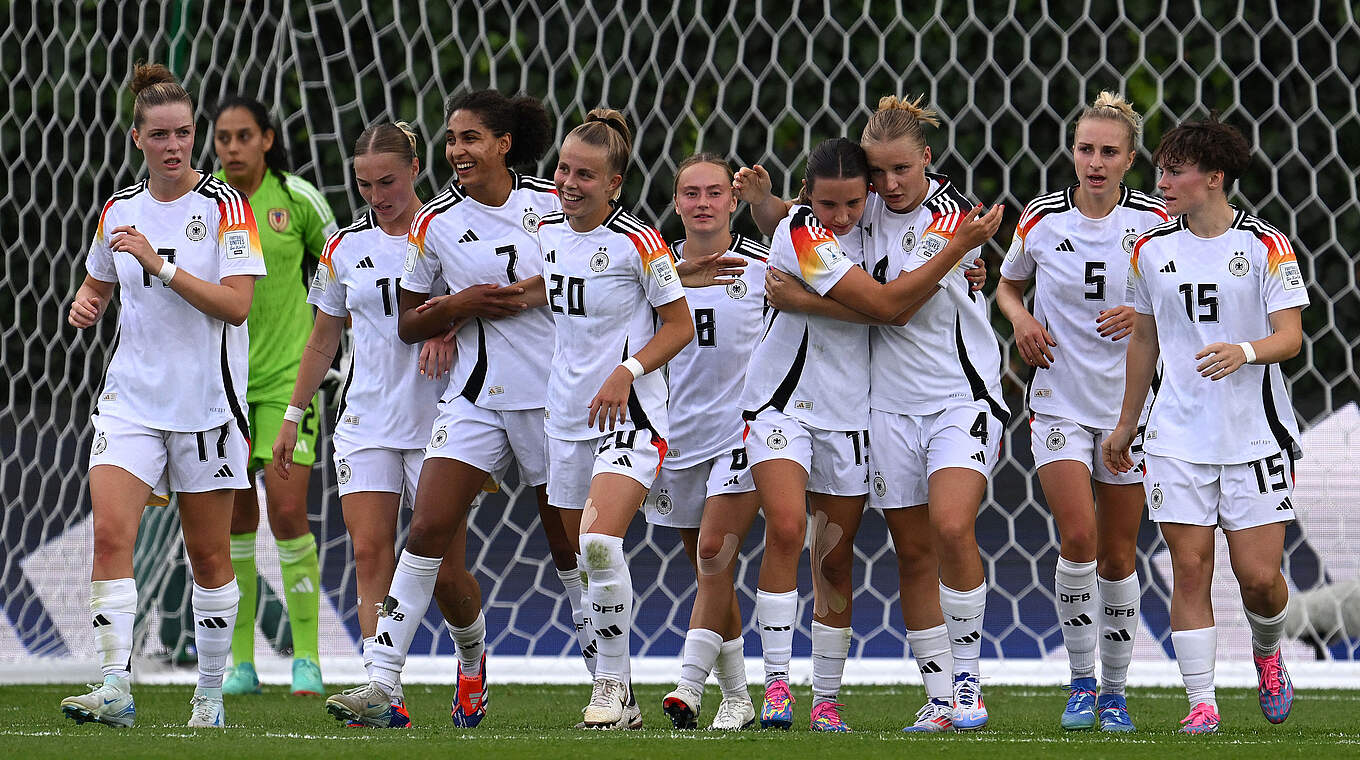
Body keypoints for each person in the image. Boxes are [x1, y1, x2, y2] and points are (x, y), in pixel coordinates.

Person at [739, 117, 1003, 732]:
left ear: (927, 160)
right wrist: (762, 204)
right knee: (906, 552)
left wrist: (801, 297)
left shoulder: (951, 216)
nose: (889, 184)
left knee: (952, 525)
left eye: (900, 169)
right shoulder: (859, 212)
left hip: (957, 396)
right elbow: (812, 215)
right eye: (877, 173)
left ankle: (968, 680)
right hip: (877, 405)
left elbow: (895, 309)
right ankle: (938, 699)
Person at [322, 90, 571, 729]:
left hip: (552, 401)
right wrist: (461, 307)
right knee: (423, 532)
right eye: (452, 139)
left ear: (503, 144)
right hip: (471, 401)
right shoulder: (435, 222)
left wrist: (546, 288)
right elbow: (409, 320)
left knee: (566, 544)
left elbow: (606, 272)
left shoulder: (553, 203)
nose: (457, 151)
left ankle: (606, 685)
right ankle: (382, 685)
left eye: (470, 138)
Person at [61, 62, 265, 728]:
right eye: (161, 135)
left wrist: (162, 266)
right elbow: (98, 282)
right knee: (111, 536)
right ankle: (115, 686)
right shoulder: (118, 210)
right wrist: (85, 303)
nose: (175, 145)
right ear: (137, 138)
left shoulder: (227, 208)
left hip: (208, 407)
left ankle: (208, 695)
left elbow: (237, 307)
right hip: (130, 402)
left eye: (184, 133)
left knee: (207, 556)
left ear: (194, 133)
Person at [1103, 115, 1308, 735]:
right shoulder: (1149, 249)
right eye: (1160, 169)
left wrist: (1243, 351)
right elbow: (1143, 337)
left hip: (1254, 437)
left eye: (1174, 170)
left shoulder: (1266, 245)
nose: (1160, 180)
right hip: (1176, 437)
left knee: (1259, 580)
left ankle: (1268, 651)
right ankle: (1202, 703)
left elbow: (1291, 338)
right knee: (1189, 568)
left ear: (1214, 178)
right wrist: (1126, 423)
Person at [996, 91, 1169, 732]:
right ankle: (1081, 683)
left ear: (1130, 160)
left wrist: (1146, 314)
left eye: (1109, 152)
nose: (1094, 162)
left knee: (1120, 553)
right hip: (1059, 400)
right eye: (1085, 149)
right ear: (1073, 152)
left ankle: (1117, 691)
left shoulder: (1155, 224)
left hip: (1129, 409)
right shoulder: (1041, 218)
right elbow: (1009, 286)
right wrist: (1019, 321)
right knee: (1078, 537)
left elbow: (1183, 303)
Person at [273, 121, 446, 728]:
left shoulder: (449, 231)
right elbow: (323, 339)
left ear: (416, 169)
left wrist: (447, 330)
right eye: (365, 184)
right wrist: (294, 415)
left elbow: (493, 307)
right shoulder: (344, 246)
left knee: (443, 562)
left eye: (388, 182)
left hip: (440, 422)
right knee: (370, 550)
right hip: (365, 420)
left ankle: (470, 657)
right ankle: (383, 688)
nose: (376, 195)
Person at [536, 109, 693, 729]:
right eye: (565, 170)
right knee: (580, 560)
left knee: (600, 544)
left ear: (616, 184)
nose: (570, 183)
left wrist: (626, 370)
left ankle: (609, 690)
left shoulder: (640, 242)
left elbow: (678, 324)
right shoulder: (545, 228)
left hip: (631, 417)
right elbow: (539, 292)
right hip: (565, 417)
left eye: (586, 175)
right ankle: (620, 693)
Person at [211, 95, 337, 697]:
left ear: (265, 139)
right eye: (223, 138)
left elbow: (343, 267)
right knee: (236, 517)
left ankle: (306, 659)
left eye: (243, 136)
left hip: (289, 381)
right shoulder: (205, 205)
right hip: (224, 384)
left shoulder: (297, 199)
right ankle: (240, 664)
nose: (231, 148)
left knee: (287, 513)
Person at [651, 153, 767, 731]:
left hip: (742, 433)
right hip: (676, 439)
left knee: (715, 554)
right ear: (676, 203)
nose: (703, 203)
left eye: (714, 193)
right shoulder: (654, 269)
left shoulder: (764, 268)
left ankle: (688, 688)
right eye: (691, 193)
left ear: (733, 201)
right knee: (709, 576)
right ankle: (741, 698)